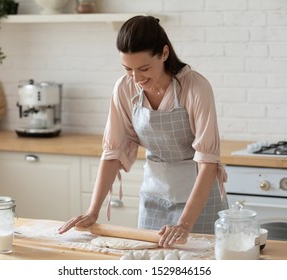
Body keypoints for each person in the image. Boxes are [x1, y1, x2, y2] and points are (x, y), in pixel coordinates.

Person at [58, 15, 228, 247]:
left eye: (144, 68)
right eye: (128, 68)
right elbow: (113, 153)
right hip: (154, 199)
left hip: (199, 203)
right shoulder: (124, 88)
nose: (136, 78)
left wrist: (184, 225)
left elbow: (208, 163)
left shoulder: (195, 88)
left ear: (165, 54)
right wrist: (92, 211)